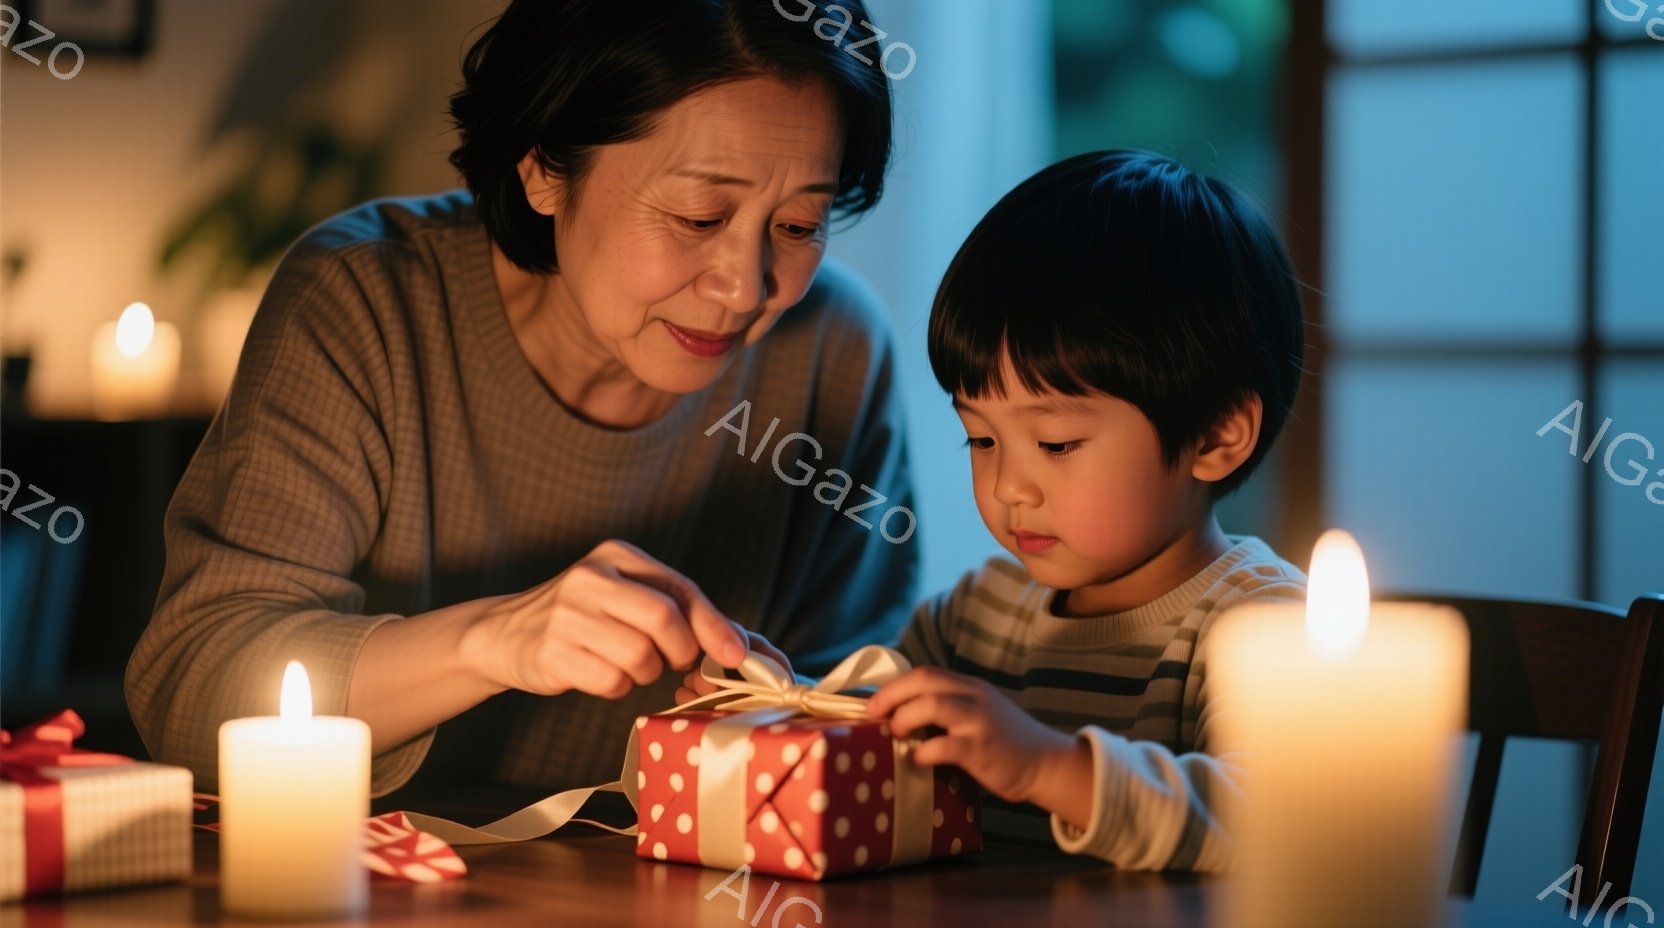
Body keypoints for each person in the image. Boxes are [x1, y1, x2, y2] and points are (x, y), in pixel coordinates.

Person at [125, 0, 917, 798]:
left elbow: (870, 714)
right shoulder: (368, 303)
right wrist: (492, 642)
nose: (746, 285)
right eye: (698, 215)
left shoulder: (834, 352)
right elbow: (194, 697)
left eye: (798, 224)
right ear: (543, 167)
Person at [682, 150, 1309, 871]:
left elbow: (1279, 823)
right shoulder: (976, 618)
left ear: (1216, 436)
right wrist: (785, 705)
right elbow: (882, 753)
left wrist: (1048, 766)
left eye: (1057, 442)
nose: (1010, 485)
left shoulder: (1262, 629)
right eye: (981, 438)